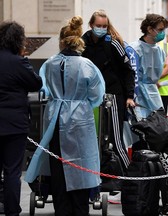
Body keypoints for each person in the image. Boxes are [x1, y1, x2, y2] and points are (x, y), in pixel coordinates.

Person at [25, 16, 105, 216]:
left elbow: (43, 88)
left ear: (61, 40)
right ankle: (80, 208)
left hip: (54, 116)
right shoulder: (87, 65)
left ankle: (62, 208)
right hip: (80, 118)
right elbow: (97, 95)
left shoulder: (49, 64)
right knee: (82, 163)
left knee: (58, 164)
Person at [82, 9, 135, 170]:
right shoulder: (82, 43)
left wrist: (129, 96)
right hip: (89, 97)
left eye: (104, 26)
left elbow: (128, 71)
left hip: (112, 95)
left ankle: (129, 174)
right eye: (98, 25)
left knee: (115, 138)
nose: (101, 28)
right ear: (91, 25)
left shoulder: (112, 43)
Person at [0, 21, 42, 216]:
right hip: (15, 125)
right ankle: (11, 211)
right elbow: (36, 83)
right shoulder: (19, 62)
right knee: (12, 171)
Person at [130, 13, 168, 118]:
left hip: (154, 94)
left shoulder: (160, 51)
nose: (163, 33)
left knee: (158, 126)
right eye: (160, 30)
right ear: (150, 29)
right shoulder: (134, 49)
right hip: (137, 94)